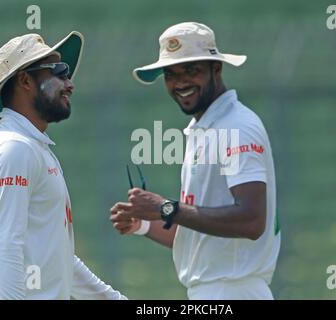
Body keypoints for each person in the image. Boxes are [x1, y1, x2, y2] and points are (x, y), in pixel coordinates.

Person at [110, 22, 281, 300]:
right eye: (170, 74)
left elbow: (251, 220)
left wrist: (165, 208)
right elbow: (199, 235)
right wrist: (142, 224)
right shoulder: (206, 129)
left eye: (191, 70)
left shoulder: (235, 127)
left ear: (217, 68)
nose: (180, 83)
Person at [0, 31, 126, 300]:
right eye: (59, 72)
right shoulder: (15, 148)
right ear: (24, 80)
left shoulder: (32, 148)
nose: (70, 84)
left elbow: (59, 259)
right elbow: (4, 245)